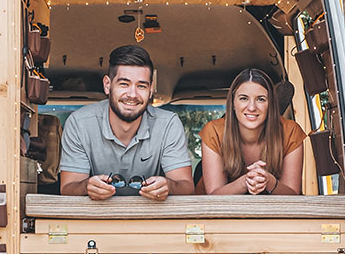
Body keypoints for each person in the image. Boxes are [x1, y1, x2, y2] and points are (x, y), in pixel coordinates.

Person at [60, 45, 194, 201]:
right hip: (95, 221)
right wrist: (86, 186)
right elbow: (67, 188)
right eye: (124, 84)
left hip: (153, 220)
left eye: (141, 86)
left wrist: (169, 186)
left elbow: (187, 188)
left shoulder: (169, 124)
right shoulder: (79, 123)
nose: (132, 94)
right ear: (107, 85)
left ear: (151, 90)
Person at [200, 68, 305, 195]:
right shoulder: (214, 132)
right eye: (243, 98)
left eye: (260, 99)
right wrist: (245, 182)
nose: (251, 107)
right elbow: (214, 196)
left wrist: (270, 182)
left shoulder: (290, 132)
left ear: (270, 104)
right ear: (233, 103)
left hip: (273, 210)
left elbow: (293, 195)